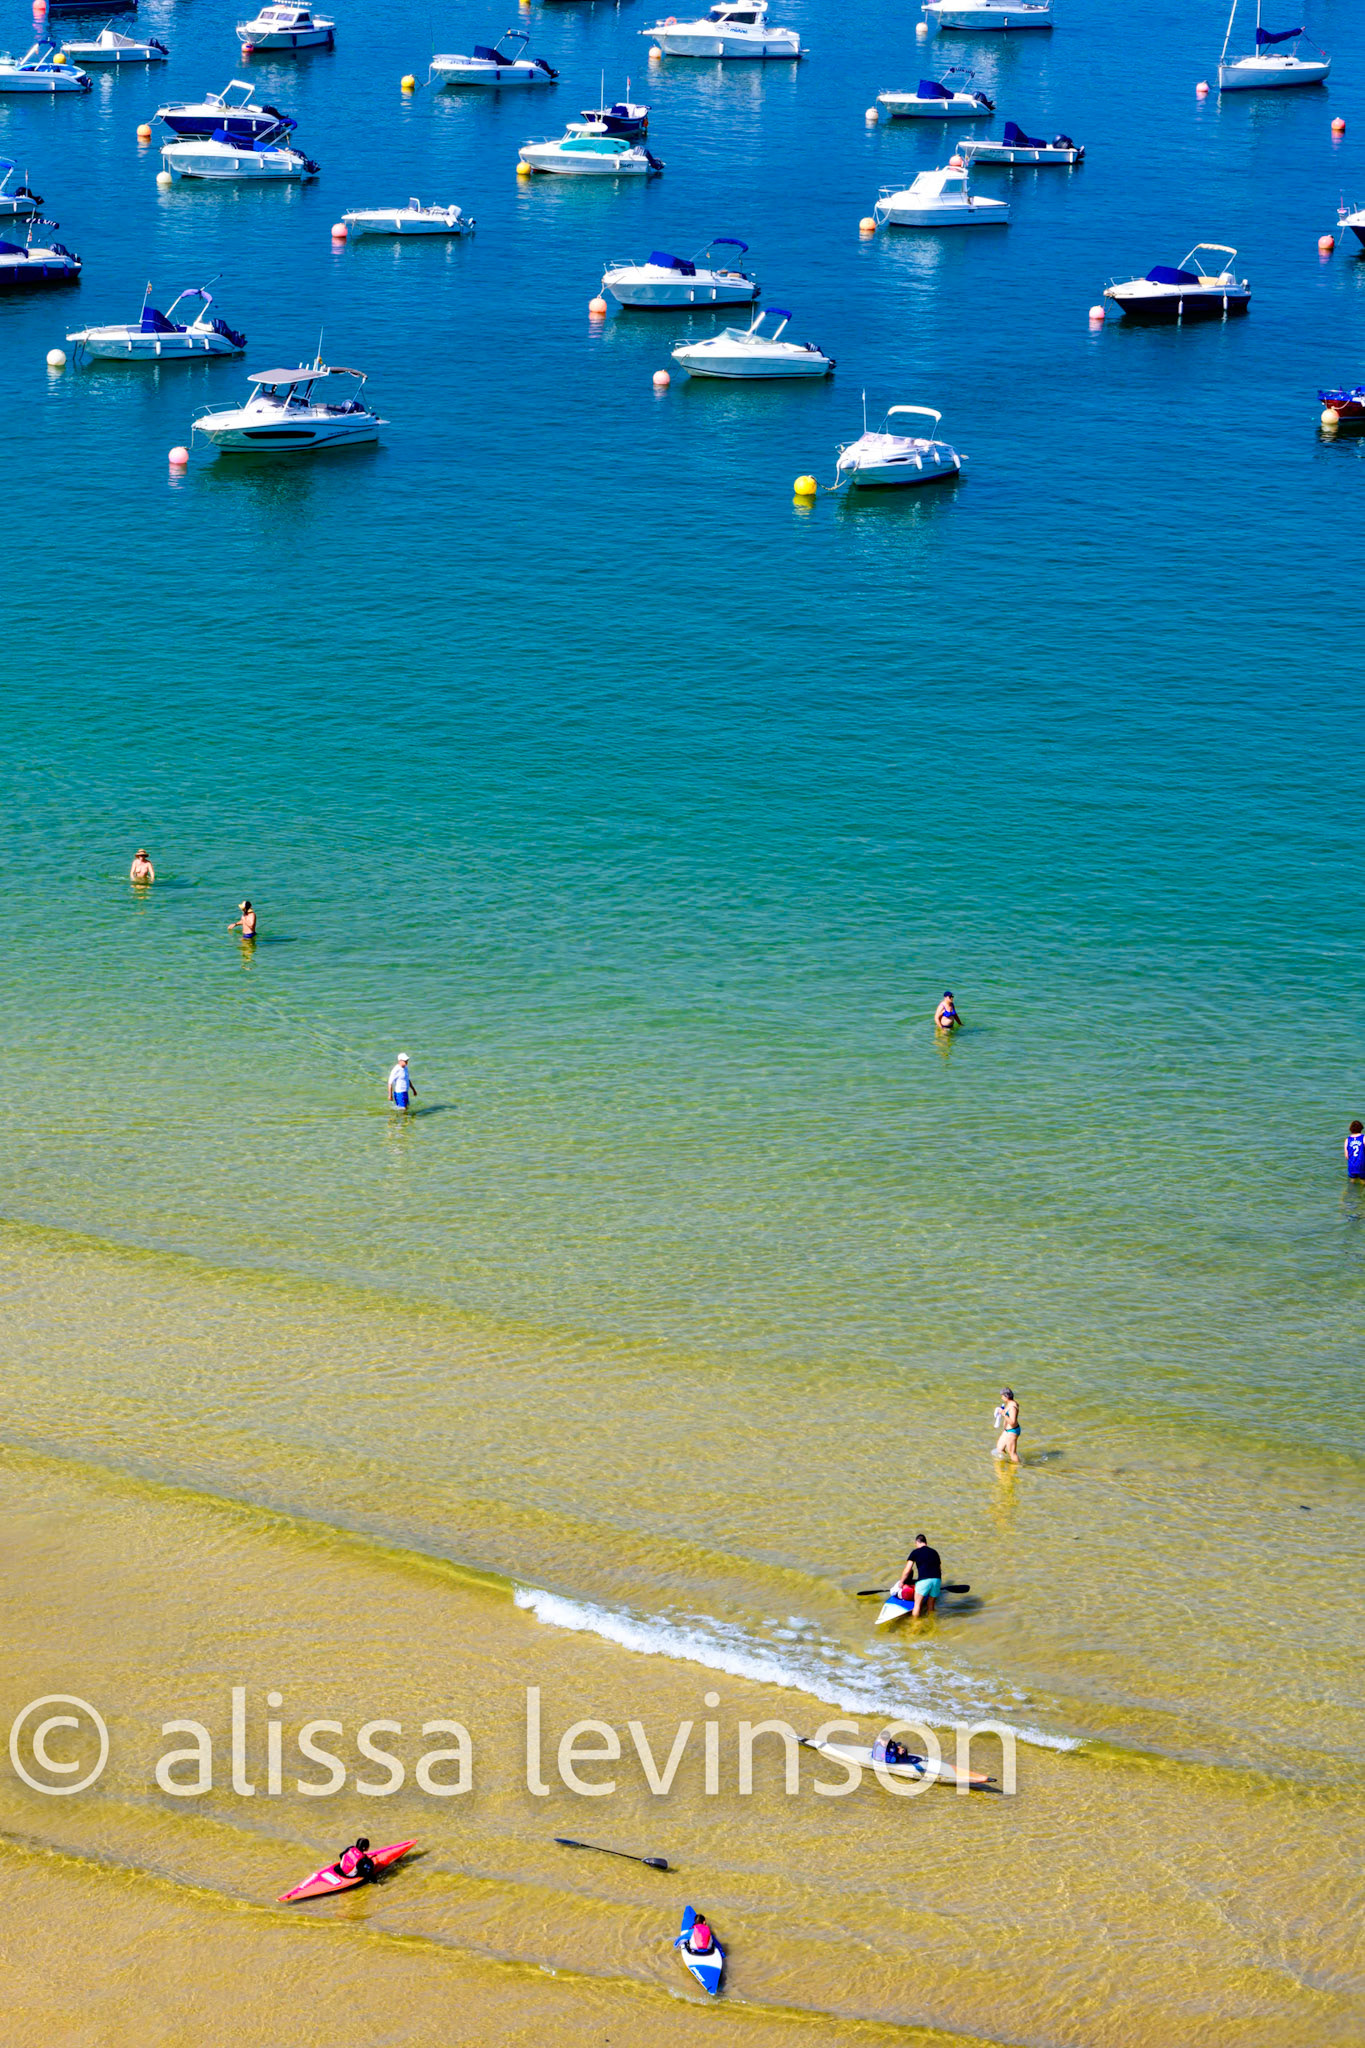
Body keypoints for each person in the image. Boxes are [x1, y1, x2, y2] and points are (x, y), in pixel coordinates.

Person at [900, 1533, 942, 1617]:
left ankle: (915, 1627)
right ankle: (931, 1622)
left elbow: (907, 1570)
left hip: (924, 1580)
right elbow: (940, 1569)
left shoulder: (915, 1552)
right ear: (926, 1542)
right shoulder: (935, 1552)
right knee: (931, 1605)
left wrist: (901, 1582)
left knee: (917, 1605)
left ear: (917, 1542)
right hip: (937, 1579)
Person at [993, 1388, 1021, 1464]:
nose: (1001, 1398)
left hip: (1012, 1431)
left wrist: (1003, 1414)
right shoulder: (1010, 1403)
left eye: (1002, 1396)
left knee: (1012, 1452)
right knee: (1000, 1448)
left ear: (1006, 1396)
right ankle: (1006, 1463)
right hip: (1007, 1431)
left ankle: (1017, 1466)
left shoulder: (1013, 1407)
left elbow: (1012, 1422)